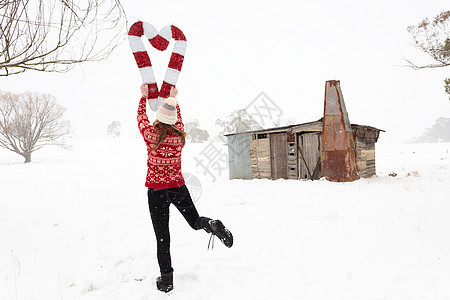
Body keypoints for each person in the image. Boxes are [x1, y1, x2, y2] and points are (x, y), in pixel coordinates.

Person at [137, 83, 233, 293]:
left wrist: (144, 97)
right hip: (178, 187)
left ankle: (167, 281)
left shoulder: (151, 136)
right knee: (195, 221)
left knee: (163, 238)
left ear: (159, 119)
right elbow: (177, 119)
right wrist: (173, 99)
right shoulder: (179, 138)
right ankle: (212, 224)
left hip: (156, 192)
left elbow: (141, 119)